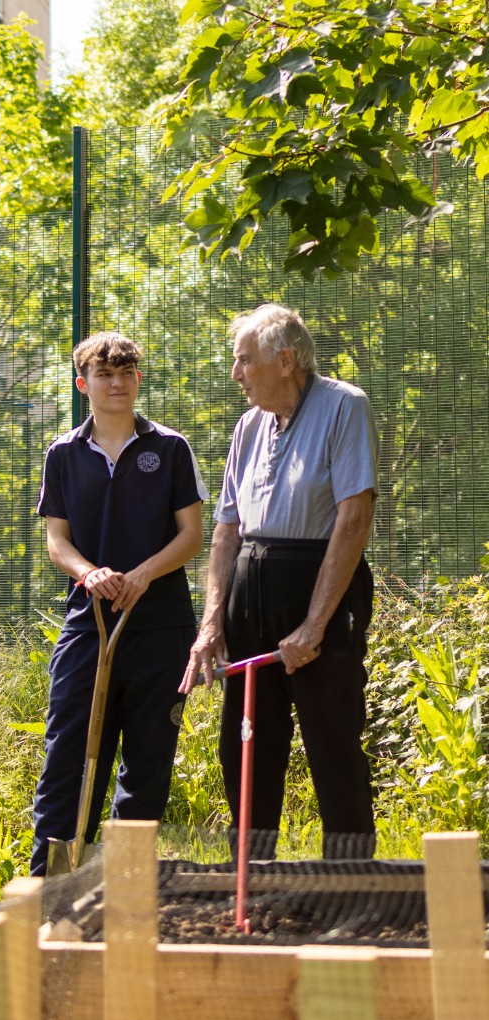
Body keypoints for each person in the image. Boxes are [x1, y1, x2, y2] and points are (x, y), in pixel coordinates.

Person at [180, 304, 378, 860]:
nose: (235, 374)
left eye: (244, 361)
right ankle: (254, 876)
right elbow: (225, 531)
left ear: (285, 360)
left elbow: (354, 518)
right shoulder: (248, 426)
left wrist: (314, 626)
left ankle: (352, 886)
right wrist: (211, 621)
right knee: (244, 744)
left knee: (331, 739)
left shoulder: (345, 407)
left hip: (318, 587)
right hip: (251, 593)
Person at [30, 331, 207, 875]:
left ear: (137, 380)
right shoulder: (63, 453)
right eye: (104, 374)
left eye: (126, 372)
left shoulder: (170, 448)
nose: (116, 382)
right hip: (90, 626)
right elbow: (56, 539)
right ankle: (52, 894)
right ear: (83, 384)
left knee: (147, 767)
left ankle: (122, 888)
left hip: (160, 629)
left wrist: (142, 575)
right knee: (70, 761)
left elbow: (192, 535)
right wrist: (90, 573)